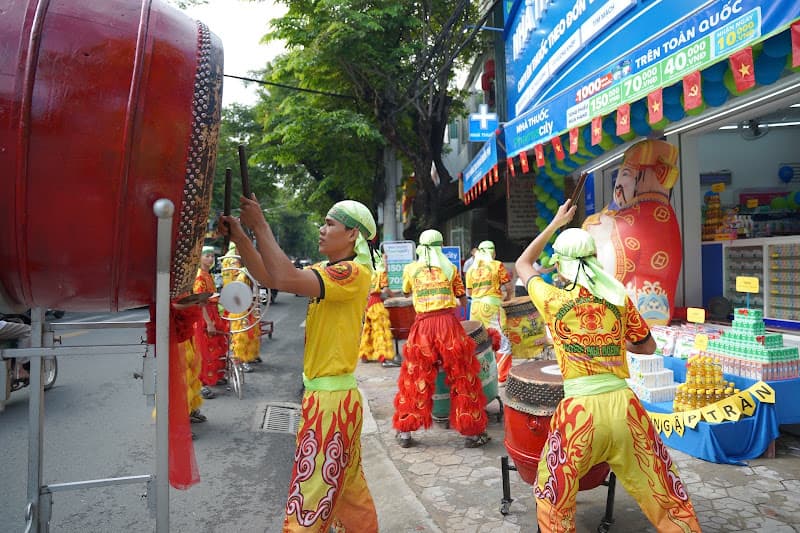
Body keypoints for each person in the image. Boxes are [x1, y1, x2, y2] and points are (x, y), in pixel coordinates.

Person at [515, 199, 700, 533]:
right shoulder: (618, 299)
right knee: (665, 494)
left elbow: (523, 263)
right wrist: (614, 342)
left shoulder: (554, 300)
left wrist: (557, 222)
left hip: (579, 415)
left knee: (552, 496)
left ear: (562, 266)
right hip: (626, 410)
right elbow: (648, 346)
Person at [220, 196, 378, 532]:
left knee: (309, 501)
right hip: (331, 401)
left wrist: (259, 224)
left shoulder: (351, 273)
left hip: (331, 405)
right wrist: (241, 237)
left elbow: (284, 277)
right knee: (349, 493)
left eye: (330, 224)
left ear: (352, 235)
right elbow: (272, 276)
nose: (321, 230)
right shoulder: (331, 271)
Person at [392, 229, 490, 449]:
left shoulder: (411, 269)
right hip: (448, 326)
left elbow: (407, 292)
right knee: (463, 376)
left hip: (423, 327)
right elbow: (462, 299)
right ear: (441, 246)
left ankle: (405, 432)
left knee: (415, 376)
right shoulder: (451, 268)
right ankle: (472, 433)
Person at [583, 139, 682, 326]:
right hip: (642, 306)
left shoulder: (648, 214)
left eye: (626, 174)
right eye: (620, 175)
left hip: (641, 306)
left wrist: (601, 228)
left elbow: (616, 266)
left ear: (646, 177)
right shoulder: (648, 211)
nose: (619, 184)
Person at [465, 240, 514, 383]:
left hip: (475, 308)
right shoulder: (496, 265)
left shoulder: (471, 269)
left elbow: (469, 292)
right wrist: (507, 298)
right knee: (503, 341)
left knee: (479, 341)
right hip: (491, 307)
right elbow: (509, 287)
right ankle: (502, 377)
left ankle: (480, 377)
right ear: (493, 252)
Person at [193, 246, 228, 394]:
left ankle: (215, 375)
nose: (210, 259)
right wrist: (208, 322)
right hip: (205, 316)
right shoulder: (200, 276)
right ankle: (201, 384)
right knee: (204, 349)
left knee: (215, 345)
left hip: (213, 313)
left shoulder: (208, 275)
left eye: (212, 256)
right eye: (206, 256)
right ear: (199, 258)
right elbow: (200, 303)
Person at [221, 243, 260, 373]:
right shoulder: (235, 263)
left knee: (249, 333)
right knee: (240, 335)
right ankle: (239, 360)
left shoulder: (245, 269)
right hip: (238, 306)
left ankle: (248, 357)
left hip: (247, 305)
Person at [358, 248, 397, 365]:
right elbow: (385, 289)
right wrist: (394, 294)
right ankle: (383, 358)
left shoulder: (368, 273)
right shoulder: (381, 273)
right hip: (377, 305)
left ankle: (365, 355)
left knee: (368, 330)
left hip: (368, 304)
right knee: (381, 331)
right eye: (385, 258)